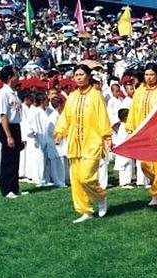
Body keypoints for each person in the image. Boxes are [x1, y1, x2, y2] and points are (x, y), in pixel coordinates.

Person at [54, 64, 111, 223]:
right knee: (77, 180)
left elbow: (102, 117)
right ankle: (85, 211)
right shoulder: (71, 96)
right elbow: (65, 117)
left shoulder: (96, 95)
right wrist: (60, 132)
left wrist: (106, 137)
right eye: (76, 75)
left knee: (87, 177)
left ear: (88, 76)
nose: (78, 77)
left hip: (92, 142)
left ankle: (100, 197)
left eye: (81, 74)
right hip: (74, 143)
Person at [126, 63, 157, 205]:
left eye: (151, 74)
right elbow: (133, 110)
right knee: (144, 164)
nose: (149, 77)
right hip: (142, 132)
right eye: (146, 75)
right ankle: (156, 182)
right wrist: (130, 129)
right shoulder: (139, 91)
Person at [0, 66, 27, 198]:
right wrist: (8, 136)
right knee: (8, 159)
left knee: (15, 159)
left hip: (16, 126)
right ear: (9, 77)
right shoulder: (3, 93)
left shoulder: (13, 92)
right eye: (15, 74)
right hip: (7, 127)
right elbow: (3, 115)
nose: (18, 76)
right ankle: (7, 189)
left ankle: (15, 187)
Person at [45, 97, 66, 188]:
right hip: (54, 142)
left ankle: (63, 180)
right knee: (57, 163)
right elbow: (50, 130)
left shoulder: (58, 115)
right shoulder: (54, 116)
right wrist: (57, 136)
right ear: (60, 105)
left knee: (61, 162)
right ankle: (58, 181)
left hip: (59, 142)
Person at [114, 108, 133, 188]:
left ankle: (127, 182)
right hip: (123, 149)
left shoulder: (123, 126)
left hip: (126, 149)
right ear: (125, 118)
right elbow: (125, 138)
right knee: (124, 166)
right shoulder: (124, 127)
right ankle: (123, 183)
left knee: (128, 165)